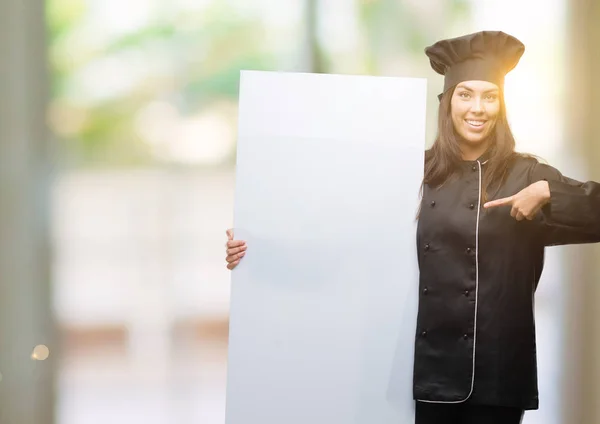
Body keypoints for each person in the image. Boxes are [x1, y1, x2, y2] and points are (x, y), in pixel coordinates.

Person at [224, 30, 600, 424]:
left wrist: (548, 192)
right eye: (465, 94)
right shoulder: (413, 173)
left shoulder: (527, 174)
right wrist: (256, 249)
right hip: (423, 375)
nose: (478, 108)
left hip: (498, 379)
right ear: (447, 102)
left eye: (490, 97)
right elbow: (340, 243)